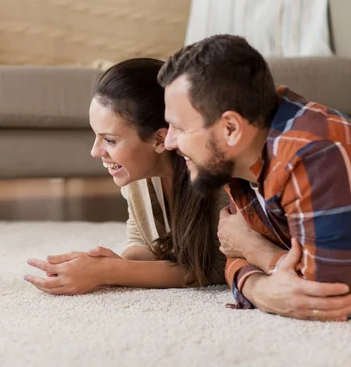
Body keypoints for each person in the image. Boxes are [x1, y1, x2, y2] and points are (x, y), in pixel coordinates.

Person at [159, 34, 351, 321]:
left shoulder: (313, 154)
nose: (170, 143)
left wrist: (252, 247)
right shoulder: (240, 152)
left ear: (231, 128)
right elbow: (230, 246)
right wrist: (258, 286)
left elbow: (327, 296)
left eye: (179, 128)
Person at [24, 58, 230, 295]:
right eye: (96, 136)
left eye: (110, 140)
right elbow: (143, 243)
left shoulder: (216, 177)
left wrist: (110, 271)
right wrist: (110, 264)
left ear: (160, 139)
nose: (95, 152)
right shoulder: (137, 173)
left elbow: (218, 267)